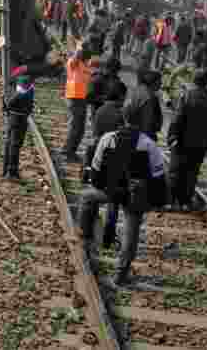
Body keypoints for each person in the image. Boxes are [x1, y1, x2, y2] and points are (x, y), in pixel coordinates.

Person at [78, 108, 168, 286]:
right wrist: (156, 201)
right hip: (135, 196)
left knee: (87, 197)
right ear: (141, 122)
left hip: (110, 191)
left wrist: (102, 186)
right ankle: (121, 274)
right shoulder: (149, 144)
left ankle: (85, 238)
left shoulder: (108, 138)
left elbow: (96, 170)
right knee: (131, 233)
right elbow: (158, 176)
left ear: (123, 119)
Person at [167, 69, 207, 211]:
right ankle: (185, 202)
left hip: (181, 142)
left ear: (194, 80)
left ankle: (171, 202)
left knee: (175, 171)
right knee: (191, 174)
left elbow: (177, 119)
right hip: (200, 145)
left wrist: (172, 137)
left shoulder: (185, 96)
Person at [85, 80, 128, 249]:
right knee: (113, 203)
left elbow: (95, 135)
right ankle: (108, 237)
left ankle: (90, 230)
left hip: (98, 158)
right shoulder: (120, 114)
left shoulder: (100, 110)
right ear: (120, 96)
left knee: (94, 197)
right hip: (114, 163)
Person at [62, 48, 94, 162]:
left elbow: (91, 77)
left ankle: (71, 150)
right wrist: (80, 49)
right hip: (73, 98)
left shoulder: (86, 67)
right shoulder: (74, 64)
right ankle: (67, 152)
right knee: (75, 127)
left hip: (82, 99)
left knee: (80, 128)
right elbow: (75, 58)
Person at [2, 73, 35, 181]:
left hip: (13, 118)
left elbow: (6, 105)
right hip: (19, 120)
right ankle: (12, 172)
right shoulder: (23, 92)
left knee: (10, 143)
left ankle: (6, 170)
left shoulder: (11, 90)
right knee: (15, 145)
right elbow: (11, 104)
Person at [124, 69, 164, 142]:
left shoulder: (138, 90)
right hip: (142, 136)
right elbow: (148, 122)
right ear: (153, 82)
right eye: (159, 81)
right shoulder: (150, 98)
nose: (161, 83)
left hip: (132, 131)